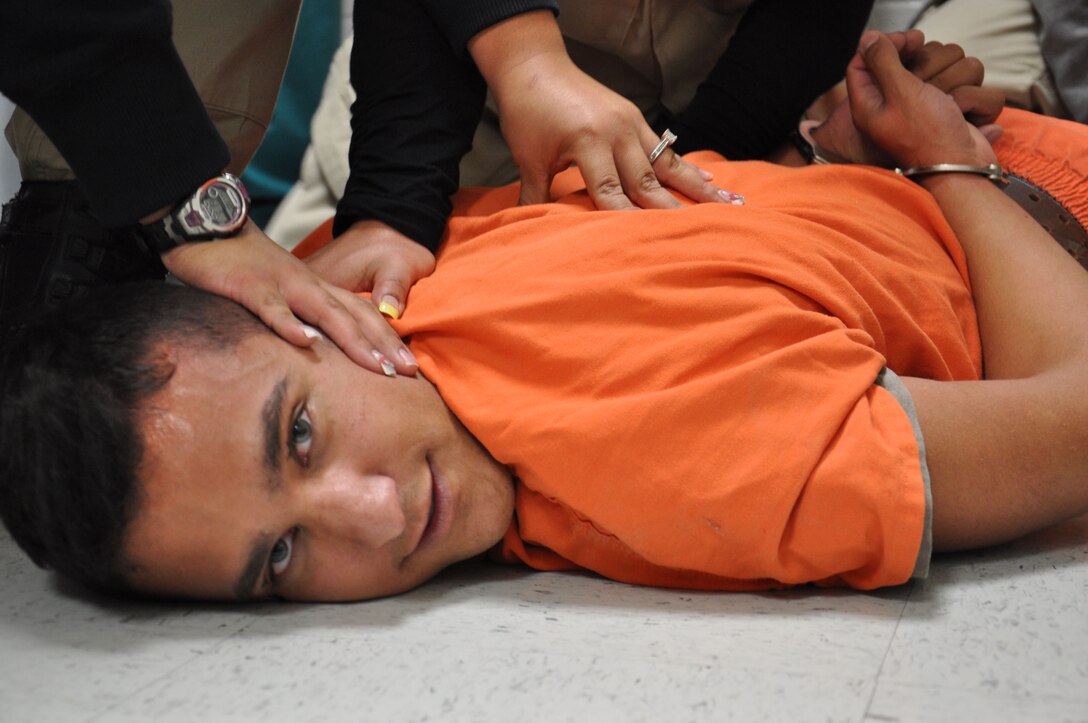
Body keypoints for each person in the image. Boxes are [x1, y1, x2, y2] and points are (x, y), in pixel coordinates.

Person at [3, 32, 1086, 602]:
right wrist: (915, 162)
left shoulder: (676, 459)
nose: (375, 517)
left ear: (304, 312)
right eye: (282, 560)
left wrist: (940, 163)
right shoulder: (344, 283)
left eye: (299, 435)